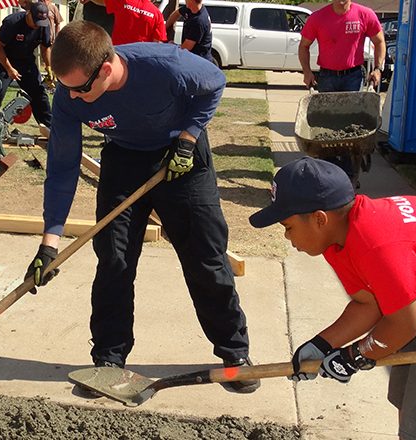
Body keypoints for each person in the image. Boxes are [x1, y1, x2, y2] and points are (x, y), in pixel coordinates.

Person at [25, 21, 258, 393]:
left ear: (105, 69)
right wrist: (48, 243)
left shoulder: (165, 64)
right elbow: (63, 168)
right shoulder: (70, 96)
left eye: (79, 89)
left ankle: (235, 353)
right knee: (114, 259)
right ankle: (108, 359)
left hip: (181, 158)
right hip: (124, 161)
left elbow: (214, 83)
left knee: (205, 258)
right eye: (64, 88)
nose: (70, 98)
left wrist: (189, 135)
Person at [249, 157, 416, 439]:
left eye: (288, 227)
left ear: (319, 218)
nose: (289, 238)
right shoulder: (339, 237)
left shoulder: (376, 244)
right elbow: (369, 303)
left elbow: (405, 324)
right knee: (410, 402)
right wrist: (323, 344)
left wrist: (355, 356)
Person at [298, 0, 386, 185]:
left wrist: (378, 68)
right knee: (326, 127)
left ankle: (348, 175)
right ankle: (328, 172)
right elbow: (304, 45)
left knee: (350, 128)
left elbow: (379, 41)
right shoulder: (318, 18)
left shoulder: (365, 14)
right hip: (327, 76)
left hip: (352, 75)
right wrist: (306, 71)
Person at [0, 1, 53, 137]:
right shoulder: (12, 23)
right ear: (29, 13)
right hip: (4, 59)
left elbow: (45, 47)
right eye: (35, 21)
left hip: (25, 61)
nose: (37, 25)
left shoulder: (44, 24)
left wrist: (49, 68)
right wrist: (9, 69)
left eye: (40, 22)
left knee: (39, 92)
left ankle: (49, 127)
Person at [79, 0, 167, 45]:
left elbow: (103, 2)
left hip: (119, 54)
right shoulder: (157, 14)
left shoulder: (124, 2)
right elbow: (157, 44)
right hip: (140, 58)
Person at [165, 0, 216, 66]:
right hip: (192, 58)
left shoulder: (199, 21)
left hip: (200, 63)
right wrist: (165, 27)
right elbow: (177, 13)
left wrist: (173, 46)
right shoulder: (190, 9)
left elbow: (186, 47)